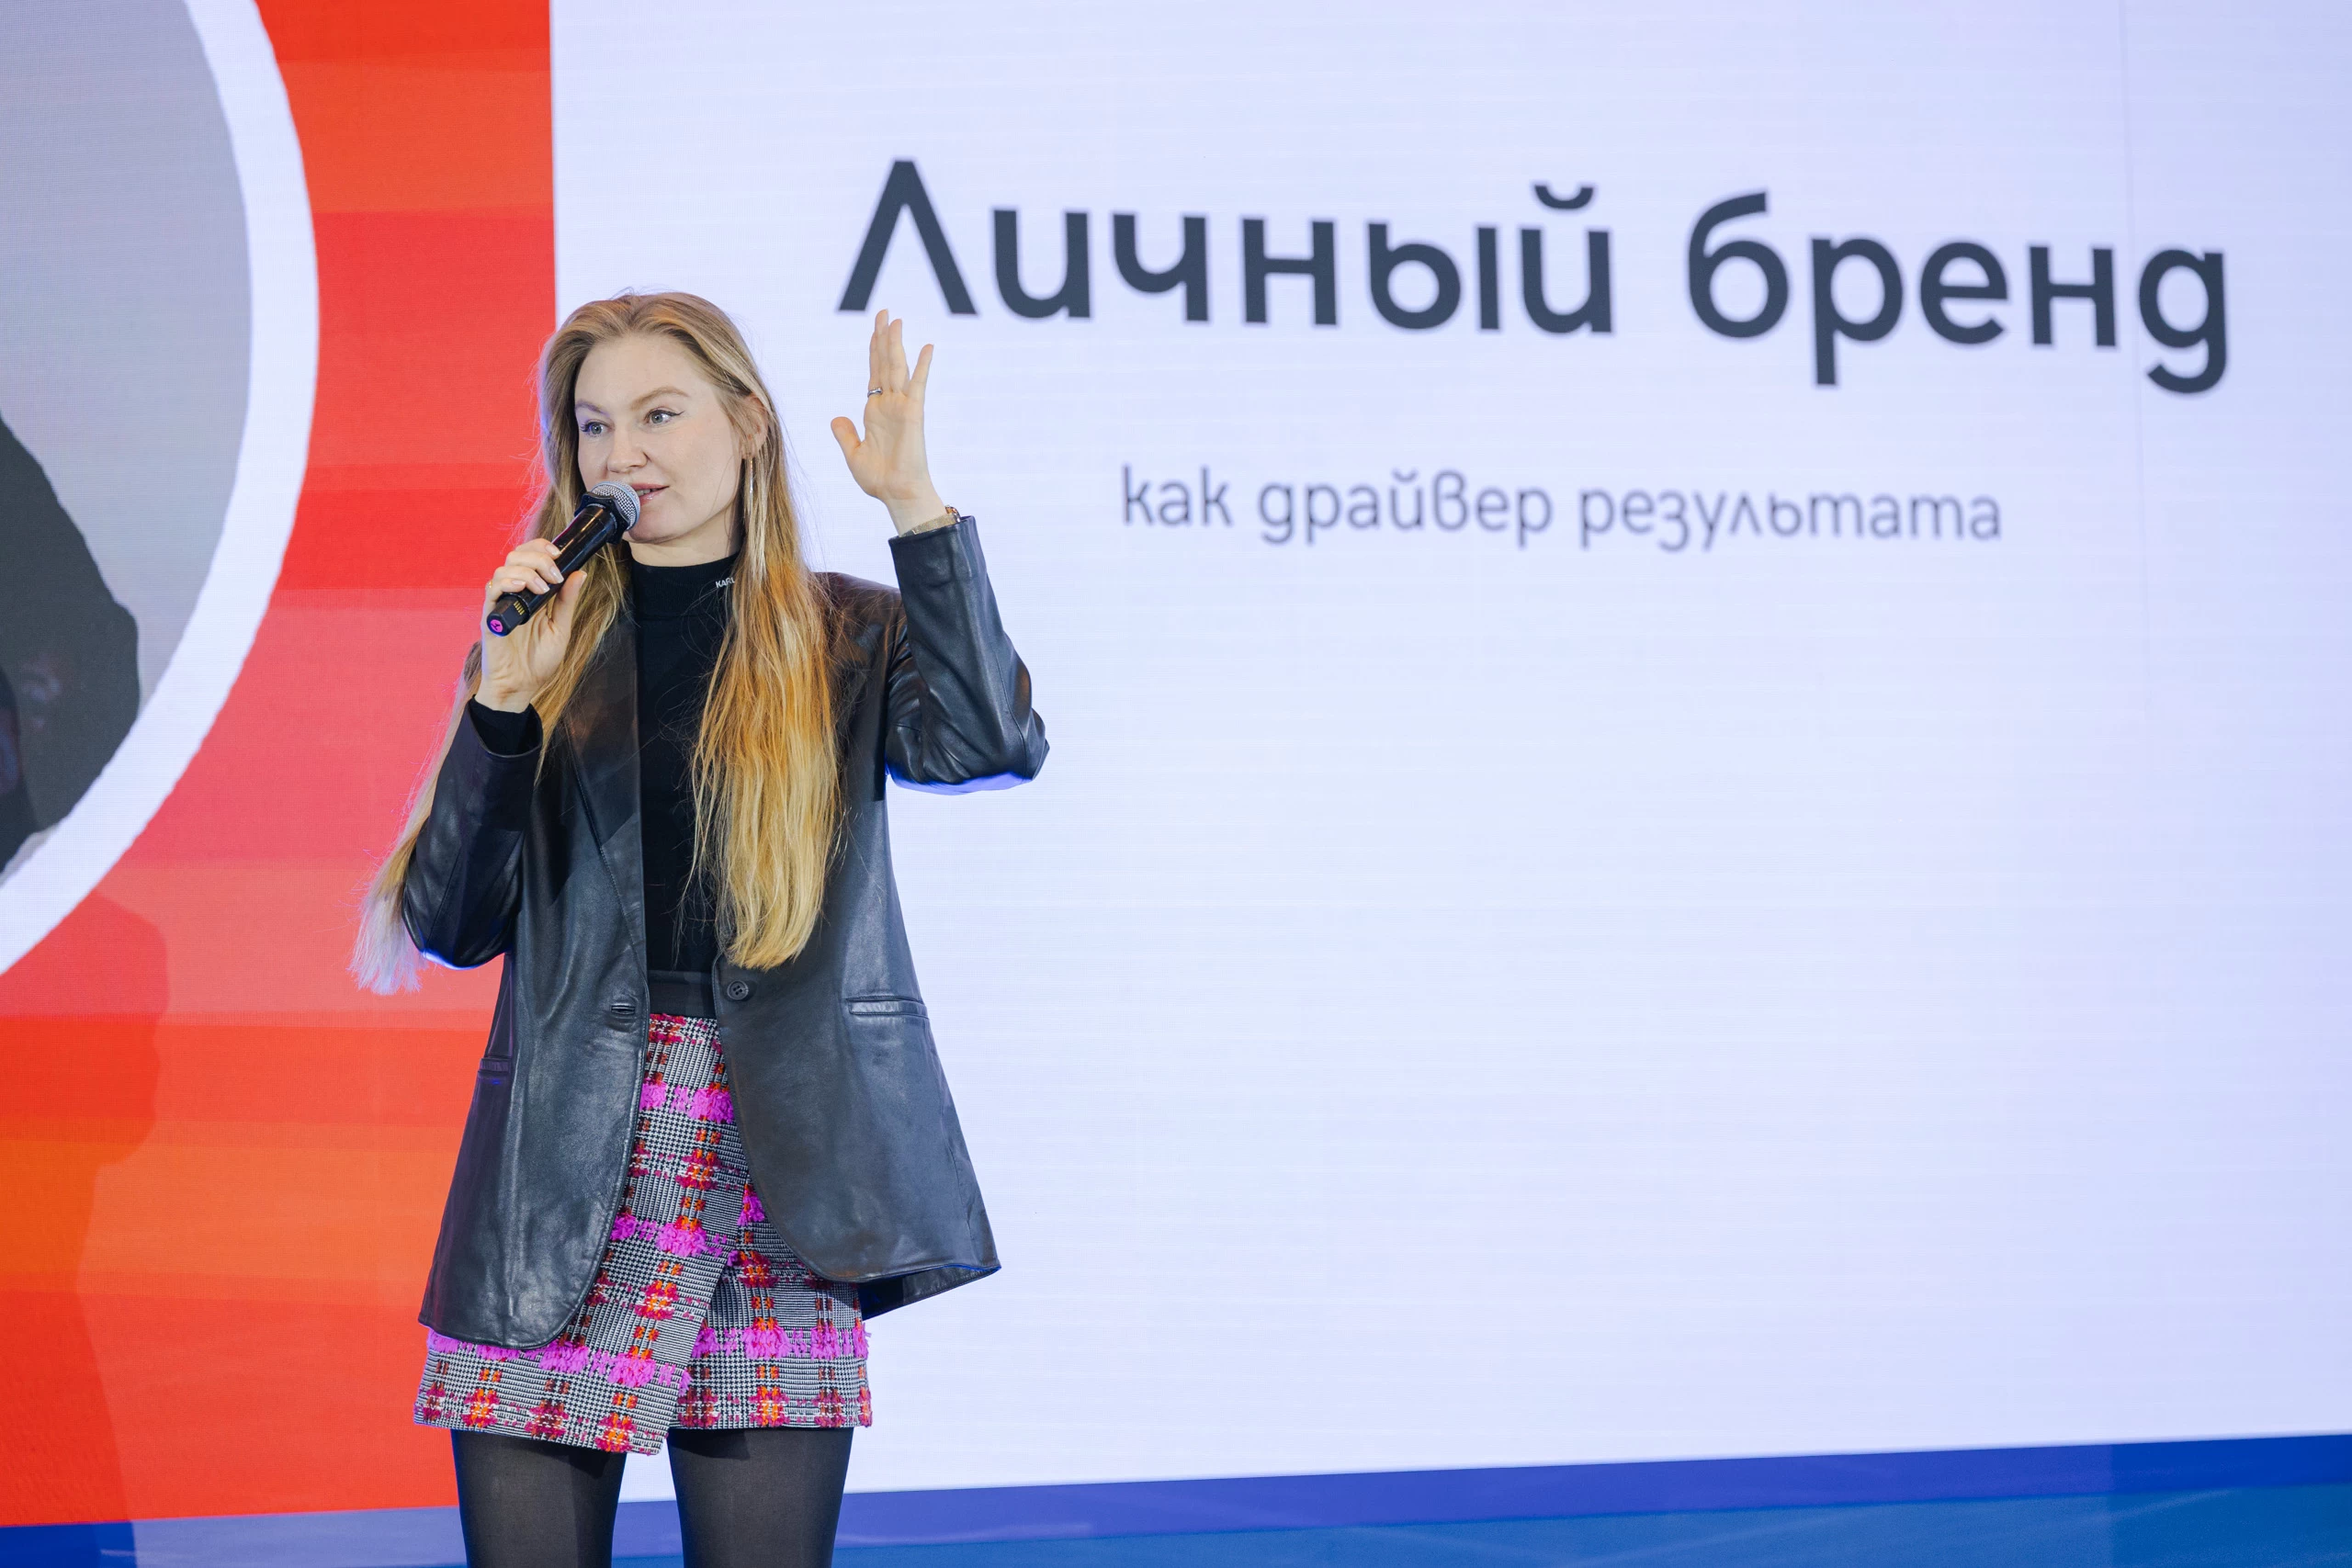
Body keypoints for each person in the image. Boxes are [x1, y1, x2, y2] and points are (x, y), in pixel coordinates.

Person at [354, 293, 1046, 1568]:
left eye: (660, 415)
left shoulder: (846, 632)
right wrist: (501, 711)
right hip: (566, 1171)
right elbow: (450, 923)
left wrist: (918, 512)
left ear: (747, 424)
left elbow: (992, 739)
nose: (623, 455)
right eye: (594, 425)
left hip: (783, 1164)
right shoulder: (546, 642)